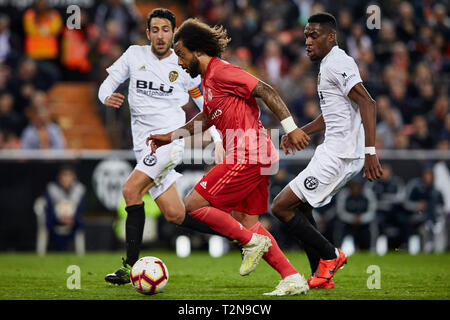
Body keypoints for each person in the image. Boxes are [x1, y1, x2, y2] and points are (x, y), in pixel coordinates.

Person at [149, 18, 311, 296]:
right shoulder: (208, 81)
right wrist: (170, 135)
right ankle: (292, 276)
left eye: (181, 54)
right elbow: (206, 118)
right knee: (247, 221)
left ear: (198, 50)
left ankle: (249, 242)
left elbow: (266, 90)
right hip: (256, 154)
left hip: (248, 152)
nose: (178, 62)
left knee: (193, 204)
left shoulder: (222, 72)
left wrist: (291, 128)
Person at [98, 8, 228, 285]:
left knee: (130, 190)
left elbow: (205, 105)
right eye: (155, 30)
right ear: (147, 33)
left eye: (165, 30)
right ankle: (241, 235)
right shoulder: (134, 55)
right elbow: (107, 83)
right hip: (143, 148)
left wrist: (217, 139)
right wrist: (105, 96)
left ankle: (129, 267)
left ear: (173, 33)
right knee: (175, 214)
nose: (160, 35)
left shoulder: (183, 67)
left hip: (168, 143)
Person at [271, 13, 383, 289]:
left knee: (281, 207)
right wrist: (299, 132)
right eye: (306, 36)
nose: (307, 41)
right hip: (334, 149)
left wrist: (370, 151)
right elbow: (332, 116)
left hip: (340, 155)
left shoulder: (339, 62)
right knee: (302, 206)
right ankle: (320, 275)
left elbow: (368, 103)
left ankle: (331, 256)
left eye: (314, 35)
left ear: (331, 37)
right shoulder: (328, 65)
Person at [44, 165, 86, 251]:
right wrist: (59, 218)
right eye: (64, 175)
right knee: (49, 222)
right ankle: (56, 249)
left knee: (80, 223)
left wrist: (72, 219)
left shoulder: (79, 189)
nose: (66, 179)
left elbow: (81, 208)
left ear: (73, 177)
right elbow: (49, 208)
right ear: (59, 177)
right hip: (55, 221)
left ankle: (70, 249)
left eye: (69, 176)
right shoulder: (52, 188)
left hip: (73, 221)